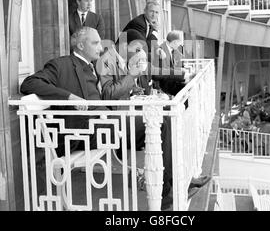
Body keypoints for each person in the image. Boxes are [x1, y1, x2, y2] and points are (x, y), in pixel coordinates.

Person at [97, 30, 210, 210]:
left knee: (170, 118)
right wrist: (132, 77)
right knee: (162, 124)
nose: (139, 53)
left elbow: (151, 73)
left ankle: (177, 183)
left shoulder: (123, 58)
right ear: (125, 45)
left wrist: (135, 89)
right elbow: (108, 94)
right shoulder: (106, 60)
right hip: (116, 122)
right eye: (137, 49)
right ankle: (166, 193)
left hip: (130, 115)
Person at [20, 27, 109, 156]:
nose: (100, 48)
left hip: (101, 123)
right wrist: (70, 97)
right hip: (81, 132)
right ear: (80, 45)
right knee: (142, 124)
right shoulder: (60, 64)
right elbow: (29, 83)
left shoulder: (93, 67)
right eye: (95, 43)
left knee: (141, 121)